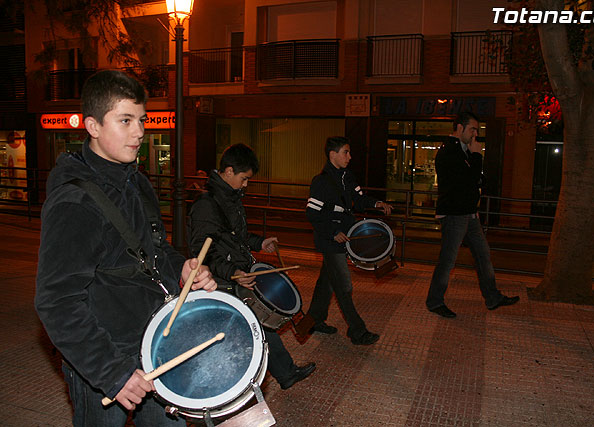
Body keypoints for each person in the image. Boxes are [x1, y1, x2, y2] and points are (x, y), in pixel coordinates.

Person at [35, 70, 217, 427]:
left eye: (141, 120)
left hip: (155, 344)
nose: (139, 132)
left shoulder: (136, 181)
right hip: (105, 358)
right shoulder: (74, 203)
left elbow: (153, 252)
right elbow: (56, 300)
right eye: (125, 120)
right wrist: (114, 373)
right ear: (93, 126)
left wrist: (181, 267)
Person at [188, 143, 316, 390]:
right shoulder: (207, 204)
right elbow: (202, 252)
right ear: (228, 171)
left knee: (258, 326)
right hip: (221, 282)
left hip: (237, 273)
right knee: (251, 329)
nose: (246, 184)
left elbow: (237, 235)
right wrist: (233, 274)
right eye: (244, 178)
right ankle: (232, 385)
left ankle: (285, 374)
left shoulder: (230, 197)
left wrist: (260, 242)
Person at [426, 111, 519, 318]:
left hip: (469, 214)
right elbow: (467, 180)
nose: (475, 134)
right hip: (454, 214)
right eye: (472, 129)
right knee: (448, 260)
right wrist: (477, 156)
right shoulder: (449, 151)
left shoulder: (463, 150)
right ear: (459, 128)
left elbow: (476, 180)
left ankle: (492, 297)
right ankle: (434, 302)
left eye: (477, 129)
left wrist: (474, 159)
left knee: (483, 255)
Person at [306, 136, 392, 345]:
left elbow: (359, 199)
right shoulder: (321, 182)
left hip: (345, 237)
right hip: (331, 240)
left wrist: (377, 203)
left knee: (327, 282)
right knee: (343, 286)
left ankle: (313, 321)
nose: (350, 157)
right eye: (346, 152)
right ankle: (357, 331)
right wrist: (333, 232)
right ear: (332, 154)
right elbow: (312, 213)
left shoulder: (347, 177)